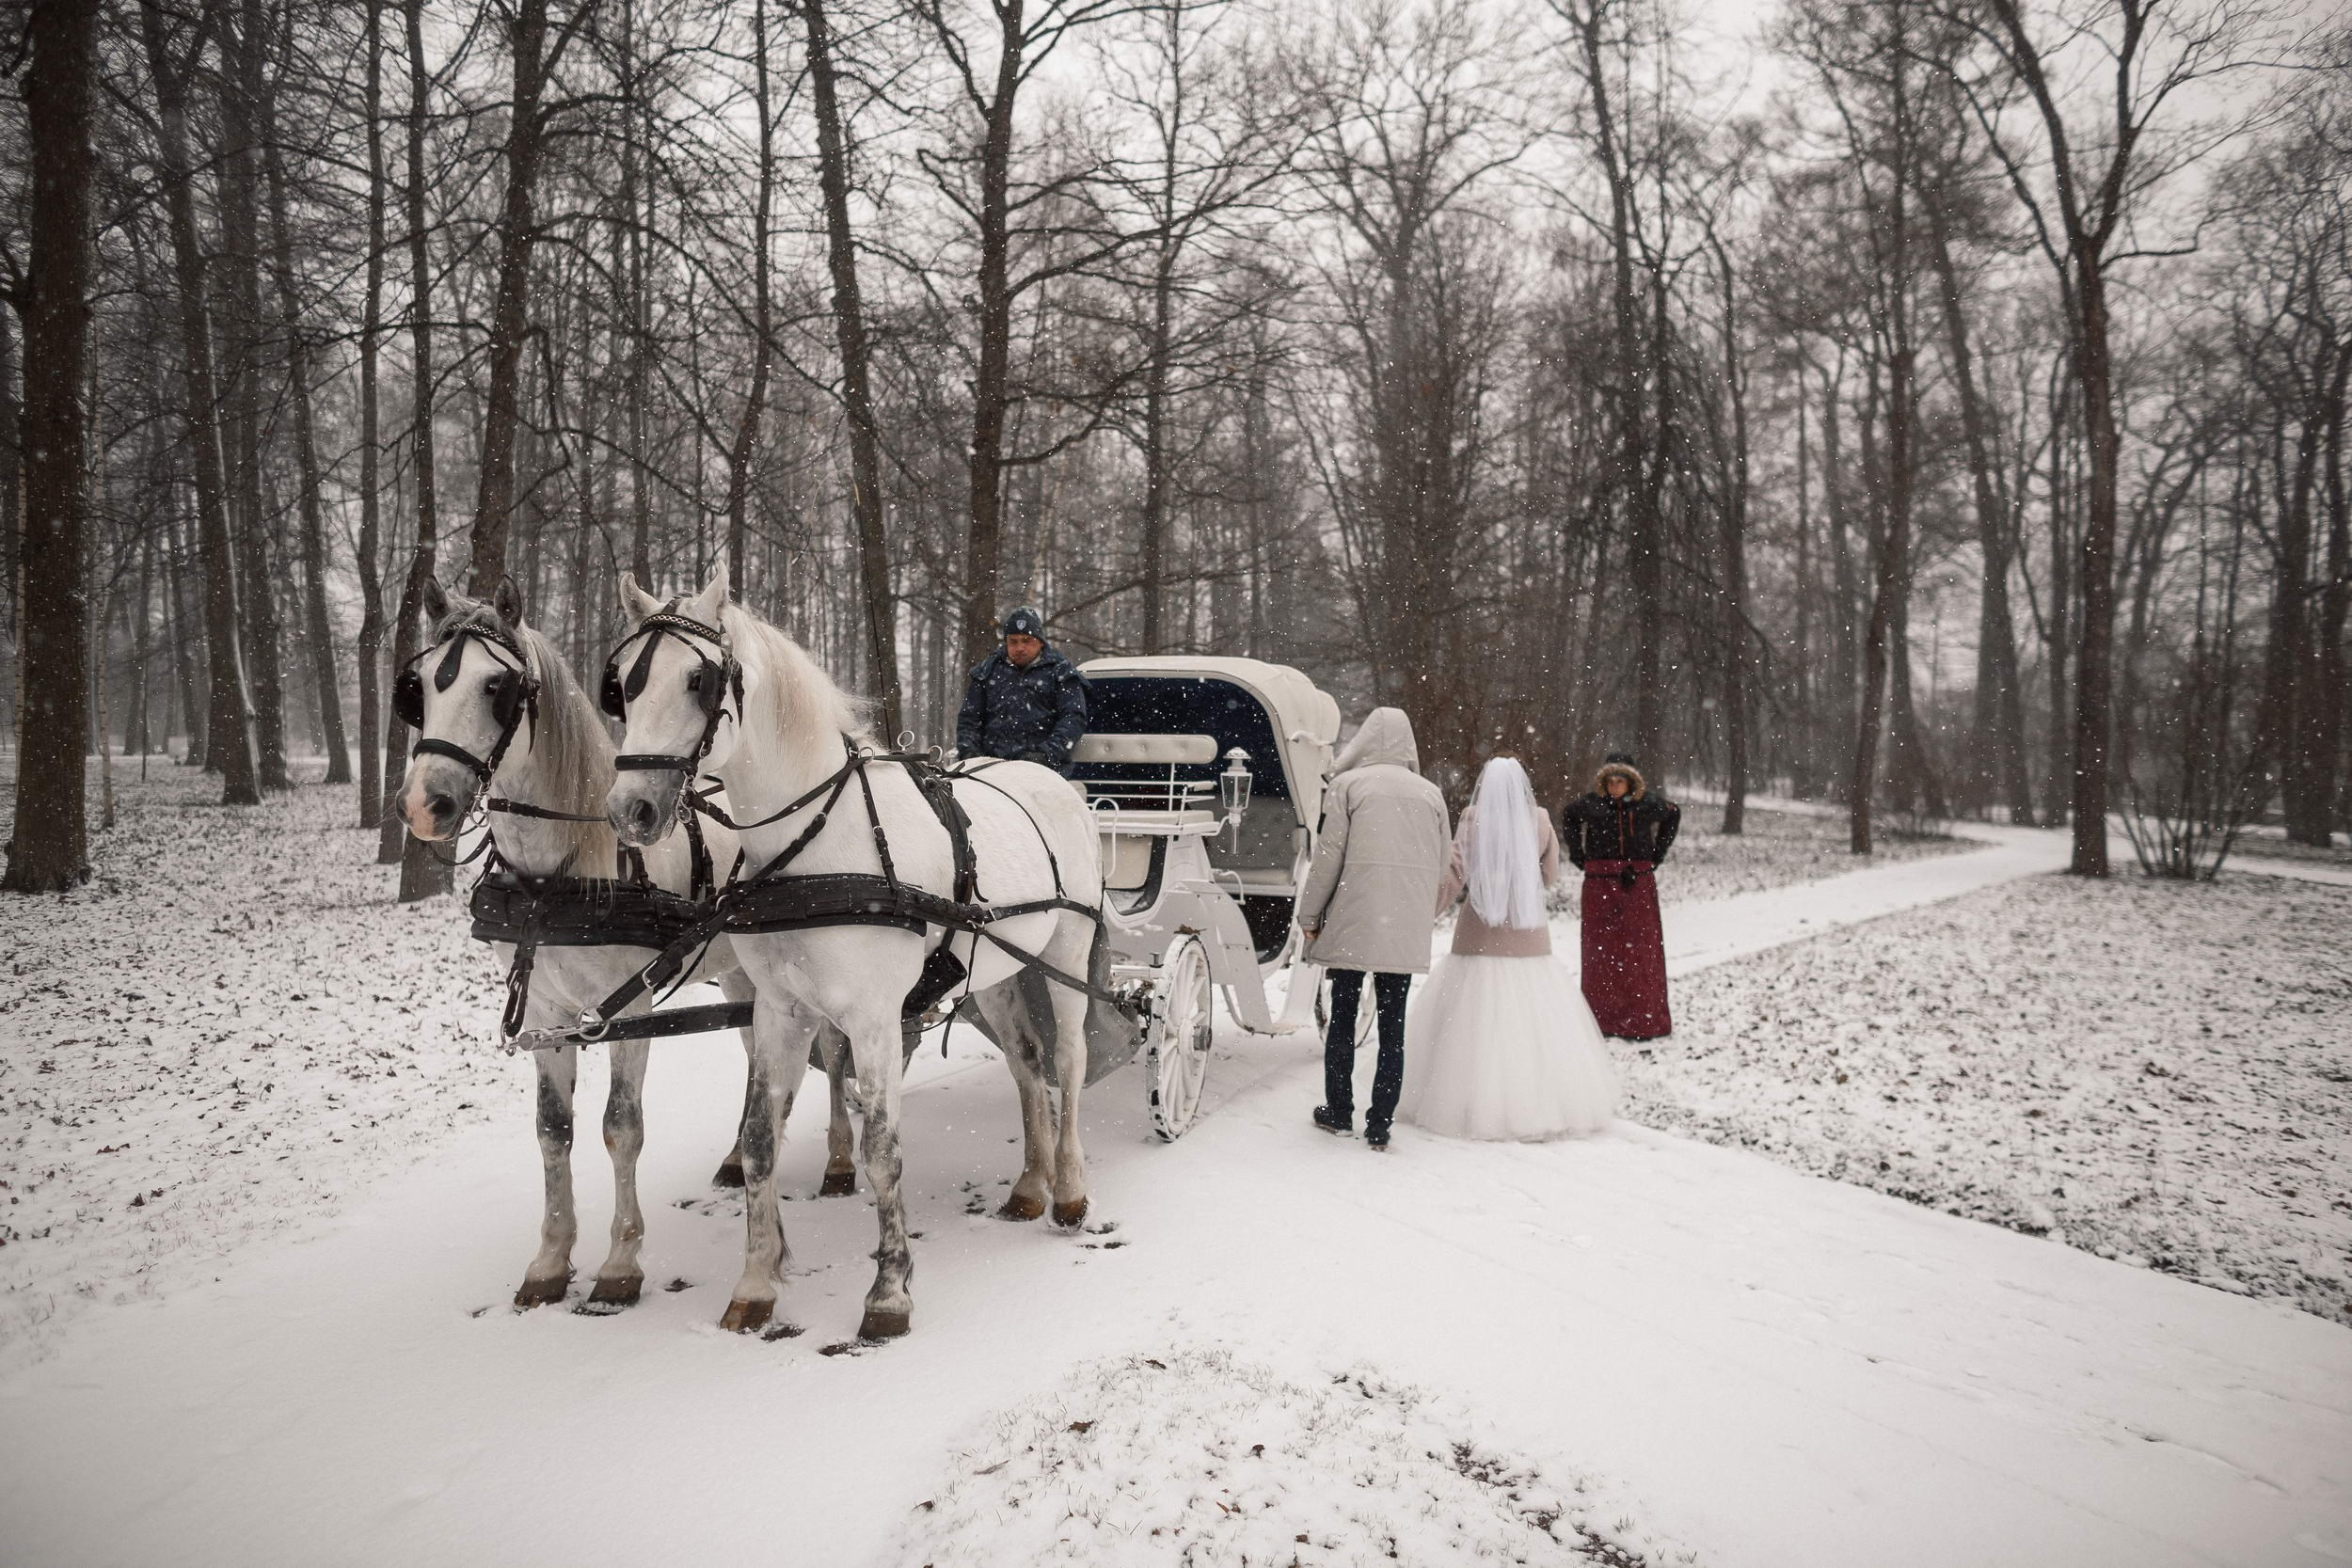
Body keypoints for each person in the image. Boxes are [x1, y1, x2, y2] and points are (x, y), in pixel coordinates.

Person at [1397, 757, 1616, 1141]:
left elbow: (1455, 872)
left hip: (1479, 931)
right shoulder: (1540, 819)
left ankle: (1468, 1104)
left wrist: (1425, 909)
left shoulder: (1472, 818)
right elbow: (1549, 875)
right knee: (1532, 1021)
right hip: (1528, 931)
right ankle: (1535, 1106)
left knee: (1470, 1020)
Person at [1296, 707, 1450, 1150]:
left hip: (1353, 919)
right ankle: (1381, 1122)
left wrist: (1310, 916)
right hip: (1403, 927)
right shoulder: (1431, 794)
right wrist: (1420, 915)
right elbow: (1442, 868)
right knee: (1392, 1027)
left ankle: (1339, 1111)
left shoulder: (1348, 786)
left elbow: (1328, 857)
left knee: (1343, 1019)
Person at [1560, 752, 1679, 1039]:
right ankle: (1603, 1020)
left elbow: (1672, 814)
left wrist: (1656, 854)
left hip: (1636, 884)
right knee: (1601, 953)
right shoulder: (1592, 805)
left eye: (1620, 781)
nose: (1614, 786)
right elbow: (1569, 816)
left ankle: (1642, 1019)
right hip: (1599, 886)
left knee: (1640, 951)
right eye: (1610, 780)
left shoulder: (1647, 804)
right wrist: (1579, 855)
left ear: (1631, 782)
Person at [955, 607, 1089, 774]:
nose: (1020, 648)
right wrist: (970, 752)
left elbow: (1073, 719)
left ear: (1040, 642)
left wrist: (1045, 754)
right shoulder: (986, 672)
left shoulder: (1061, 672)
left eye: (1027, 641)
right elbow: (969, 719)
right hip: (990, 768)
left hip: (1045, 770)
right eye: (1013, 641)